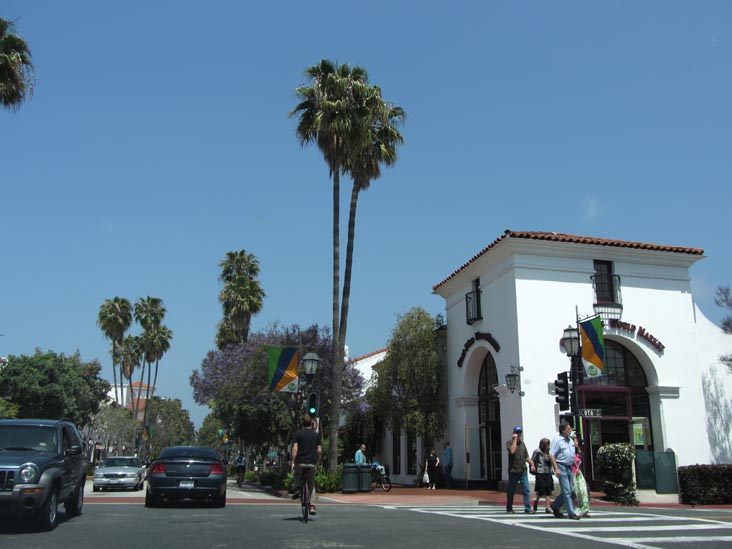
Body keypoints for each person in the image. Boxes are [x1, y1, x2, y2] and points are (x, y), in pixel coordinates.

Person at [291, 414, 322, 515]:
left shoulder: (297, 434)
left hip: (300, 462)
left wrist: (293, 462)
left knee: (296, 473)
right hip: (312, 463)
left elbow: (295, 449)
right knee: (311, 484)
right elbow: (319, 451)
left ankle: (297, 489)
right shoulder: (316, 435)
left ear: (302, 423)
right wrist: (318, 462)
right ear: (311, 424)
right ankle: (312, 505)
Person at [549, 421, 579, 520]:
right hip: (561, 466)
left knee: (571, 490)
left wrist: (576, 467)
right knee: (567, 491)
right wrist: (556, 468)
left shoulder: (570, 441)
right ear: (563, 430)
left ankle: (555, 506)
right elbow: (551, 454)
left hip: (569, 467)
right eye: (568, 429)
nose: (570, 430)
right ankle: (571, 513)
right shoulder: (557, 440)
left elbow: (572, 455)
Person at [505, 426, 536, 513]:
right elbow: (512, 451)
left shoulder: (522, 444)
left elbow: (526, 456)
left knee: (526, 490)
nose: (519, 434)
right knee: (511, 490)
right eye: (517, 432)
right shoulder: (509, 443)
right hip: (513, 471)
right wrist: (515, 440)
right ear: (514, 433)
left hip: (523, 470)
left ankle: (527, 508)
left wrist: (532, 463)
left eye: (520, 433)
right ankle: (509, 507)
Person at [531, 438, 554, 513]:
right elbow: (532, 460)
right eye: (547, 444)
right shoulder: (537, 451)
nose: (548, 446)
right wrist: (532, 466)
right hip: (540, 472)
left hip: (548, 472)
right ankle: (536, 501)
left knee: (548, 489)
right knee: (541, 489)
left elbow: (553, 460)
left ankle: (547, 507)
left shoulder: (550, 452)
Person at [571, 432, 591, 518]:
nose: (575, 442)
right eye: (574, 441)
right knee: (575, 492)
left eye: (576, 441)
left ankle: (585, 510)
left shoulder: (578, 452)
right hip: (572, 473)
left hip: (579, 474)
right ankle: (573, 509)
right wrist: (576, 467)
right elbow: (572, 460)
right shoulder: (570, 451)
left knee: (583, 491)